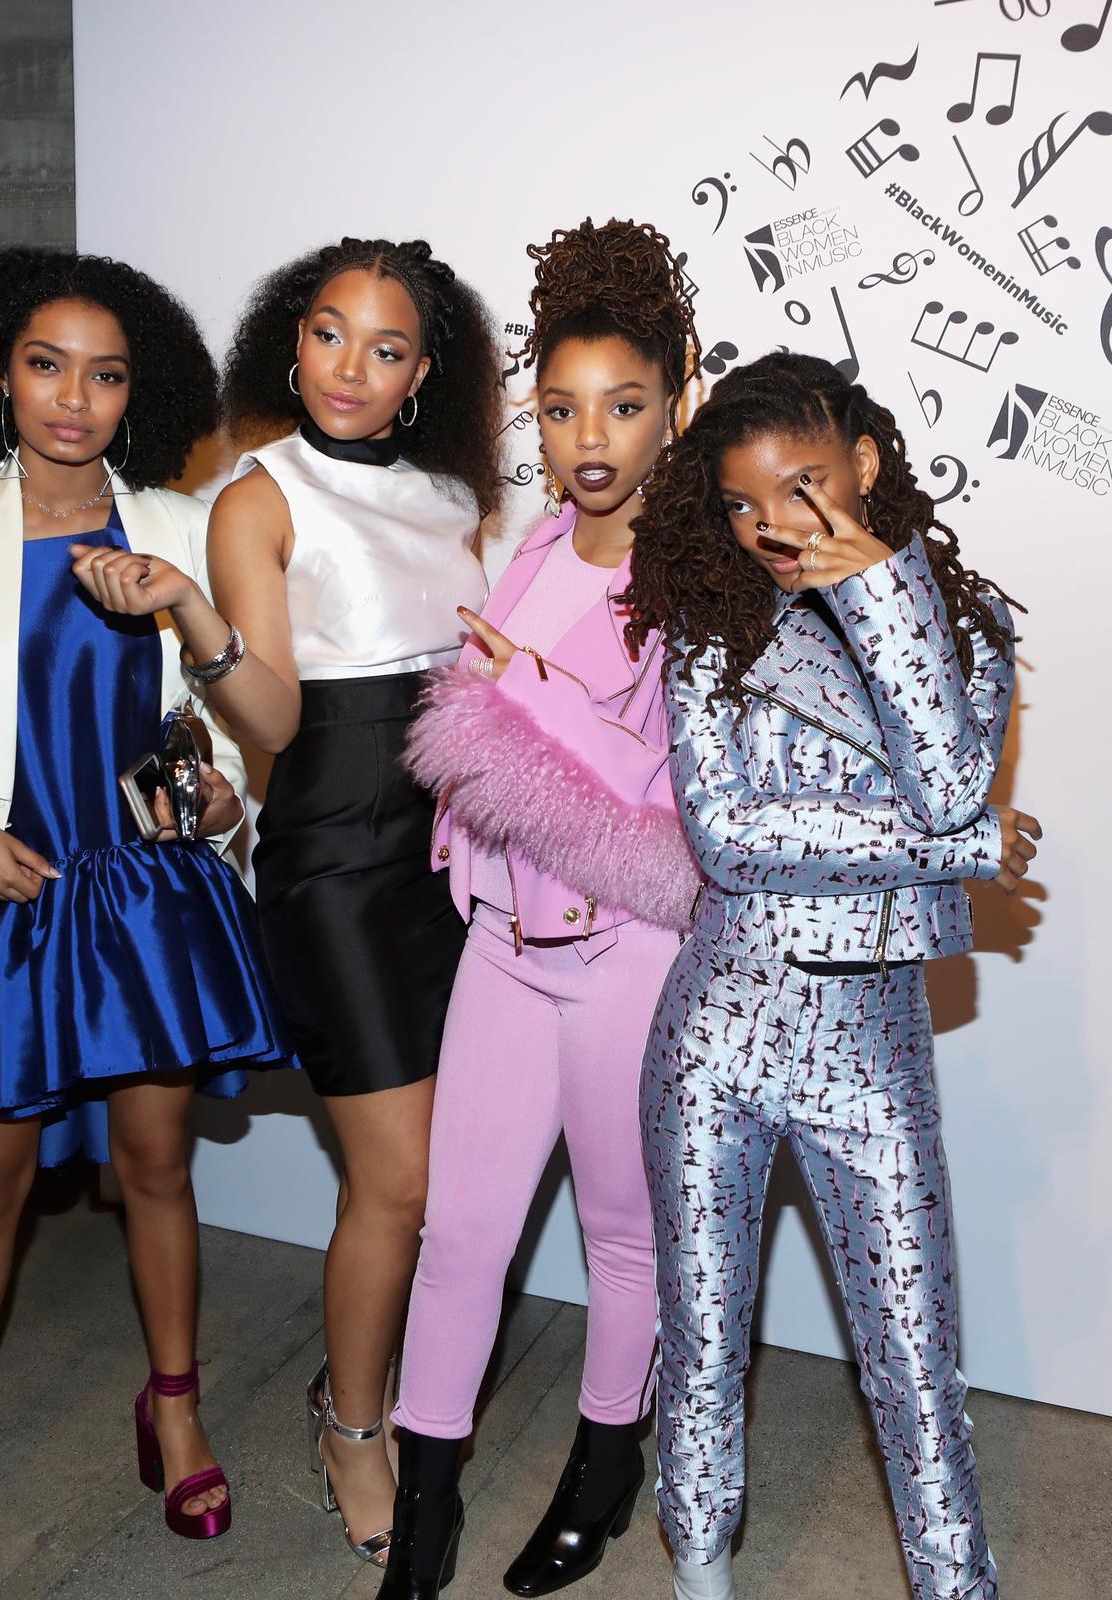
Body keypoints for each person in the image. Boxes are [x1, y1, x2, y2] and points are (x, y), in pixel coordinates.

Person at [0, 249, 293, 1582]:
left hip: (140, 896)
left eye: (106, 374)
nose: (74, 397)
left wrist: (223, 801)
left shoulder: (172, 521)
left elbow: (223, 716)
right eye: (48, 364)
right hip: (6, 893)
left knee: (153, 1165)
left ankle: (175, 1406)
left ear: (132, 394)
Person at [620, 353, 1042, 1600]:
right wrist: (961, 851)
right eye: (745, 505)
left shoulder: (966, 622)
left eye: (803, 487)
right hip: (716, 1036)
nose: (774, 528)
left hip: (871, 1047)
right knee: (702, 1343)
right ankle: (701, 1579)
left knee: (917, 1364)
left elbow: (954, 773)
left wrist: (885, 598)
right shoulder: (711, 627)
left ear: (863, 460)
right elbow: (734, 841)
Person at [377, 219, 704, 1599]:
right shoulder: (527, 555)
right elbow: (477, 744)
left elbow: (684, 813)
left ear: (678, 398)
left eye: (625, 406)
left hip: (628, 952)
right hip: (505, 949)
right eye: (562, 407)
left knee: (622, 1233)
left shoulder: (707, 587)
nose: (591, 437)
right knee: (460, 1236)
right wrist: (463, 850)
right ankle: (427, 1516)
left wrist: (536, 700)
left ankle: (602, 1468)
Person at [175, 237, 503, 1566]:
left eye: (385, 346)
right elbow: (268, 713)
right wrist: (203, 630)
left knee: (446, 1179)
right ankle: (352, 1423)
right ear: (288, 341)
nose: (349, 367)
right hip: (334, 865)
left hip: (458, 857)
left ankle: (377, 1395)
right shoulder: (258, 496)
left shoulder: (448, 498)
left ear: (425, 373)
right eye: (326, 332)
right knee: (401, 1180)